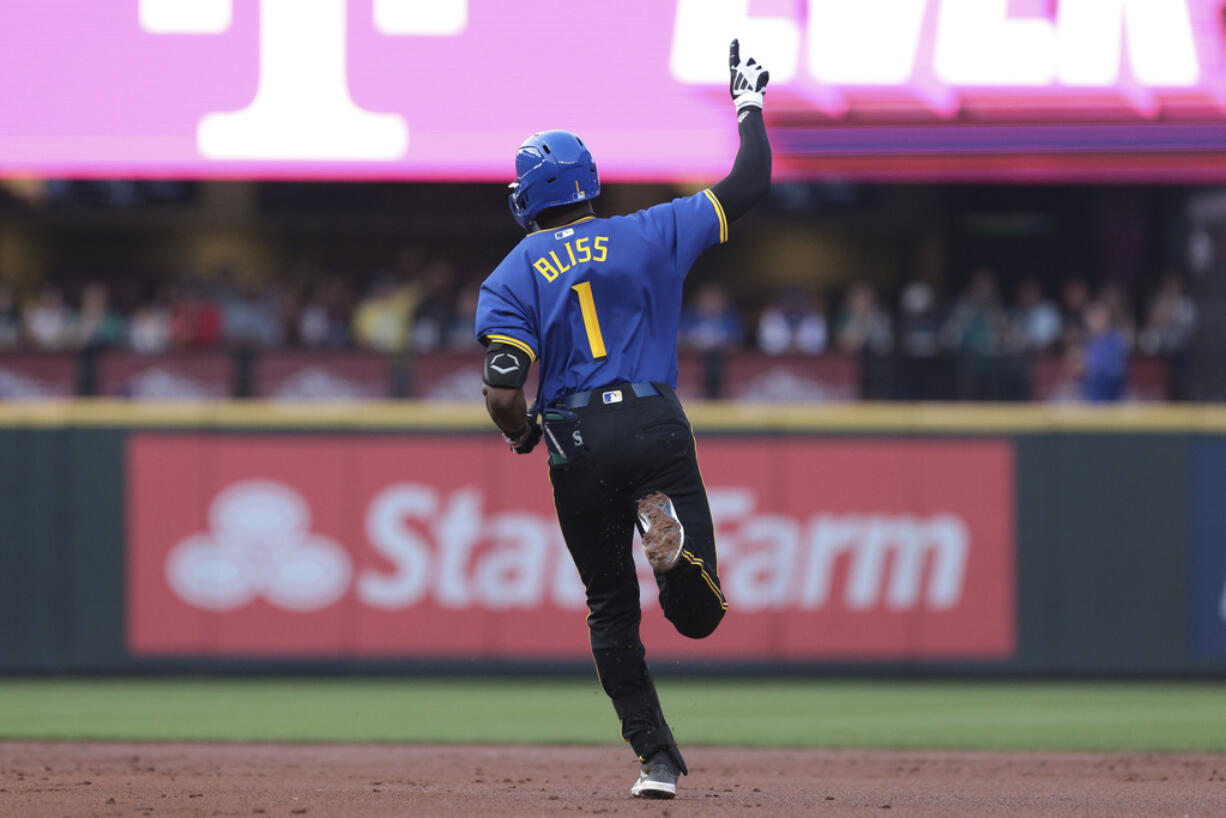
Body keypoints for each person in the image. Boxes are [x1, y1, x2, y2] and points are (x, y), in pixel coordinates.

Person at [474, 41, 771, 800]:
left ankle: (657, 762)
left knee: (609, 606)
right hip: (652, 421)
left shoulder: (512, 274)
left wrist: (519, 435)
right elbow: (752, 180)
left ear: (529, 196)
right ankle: (674, 560)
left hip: (575, 437)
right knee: (698, 618)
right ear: (588, 181)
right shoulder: (651, 229)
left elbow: (503, 391)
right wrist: (747, 104)